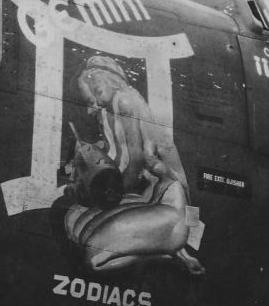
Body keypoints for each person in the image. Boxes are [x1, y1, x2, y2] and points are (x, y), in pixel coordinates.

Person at [64, 56, 204, 274]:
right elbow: (118, 159)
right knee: (74, 219)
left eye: (97, 92)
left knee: (94, 259)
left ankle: (168, 255)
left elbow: (134, 168)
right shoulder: (109, 108)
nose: (95, 102)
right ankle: (168, 249)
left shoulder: (125, 101)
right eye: (90, 99)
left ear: (110, 79)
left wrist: (96, 185)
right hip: (151, 203)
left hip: (170, 210)